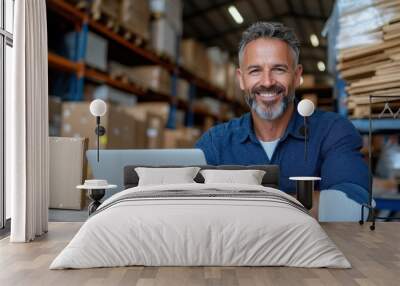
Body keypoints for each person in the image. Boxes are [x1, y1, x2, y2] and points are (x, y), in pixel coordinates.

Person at [195, 22, 369, 208]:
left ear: (296, 76)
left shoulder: (333, 131)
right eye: (255, 71)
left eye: (279, 69)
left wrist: (251, 207)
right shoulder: (215, 143)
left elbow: (353, 201)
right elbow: (189, 204)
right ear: (241, 79)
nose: (268, 82)